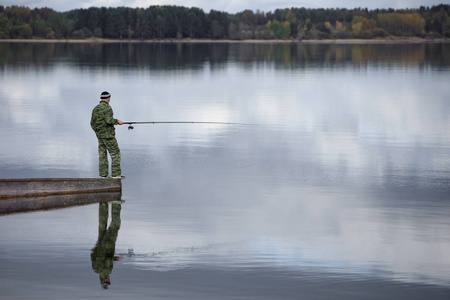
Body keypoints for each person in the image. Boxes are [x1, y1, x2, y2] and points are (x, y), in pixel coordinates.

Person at [90, 91, 124, 179]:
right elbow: (109, 120)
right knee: (115, 154)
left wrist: (97, 132)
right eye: (109, 98)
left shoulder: (95, 108)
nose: (110, 100)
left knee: (102, 154)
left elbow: (92, 123)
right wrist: (118, 121)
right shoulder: (107, 108)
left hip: (100, 136)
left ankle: (103, 175)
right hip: (108, 136)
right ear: (108, 98)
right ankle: (116, 175)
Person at [91, 202, 122, 289]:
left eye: (108, 281)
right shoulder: (95, 269)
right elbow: (92, 255)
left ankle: (116, 204)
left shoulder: (107, 271)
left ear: (104, 280)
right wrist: (96, 248)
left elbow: (108, 260)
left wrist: (116, 259)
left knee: (115, 225)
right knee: (102, 224)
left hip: (108, 244)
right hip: (99, 245)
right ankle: (103, 204)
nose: (109, 280)